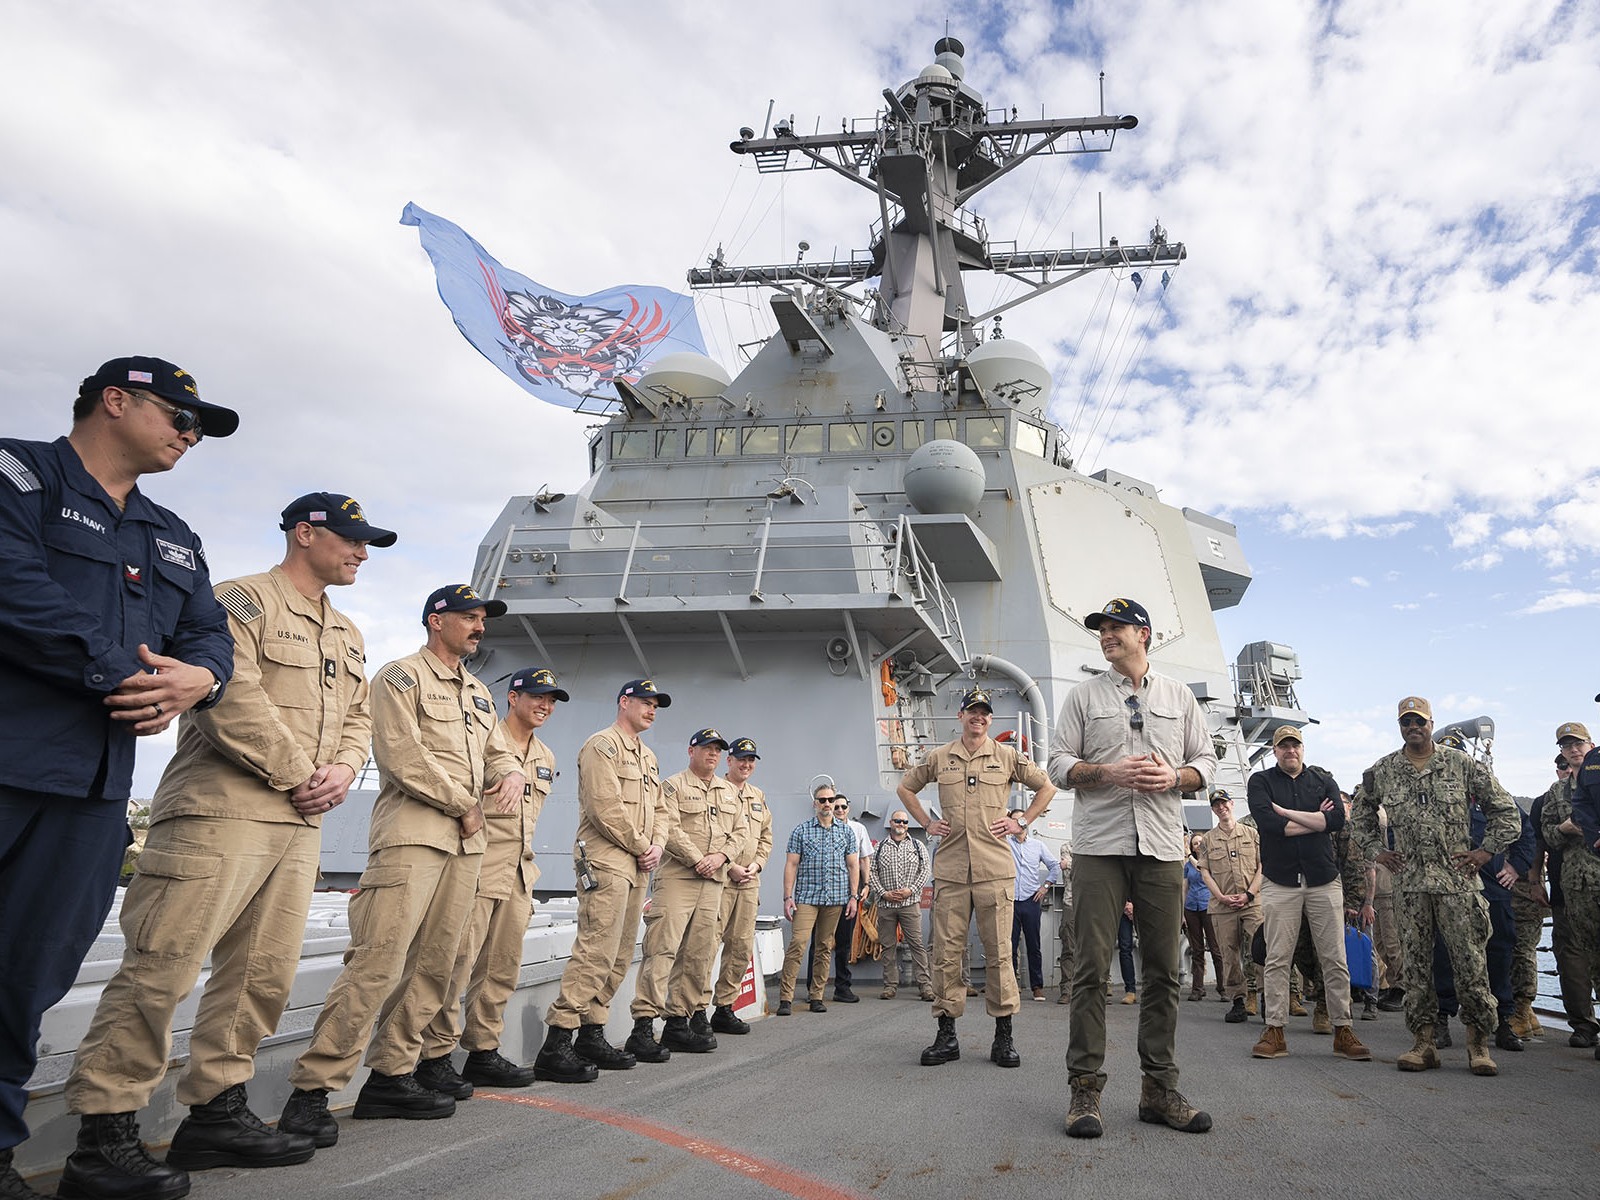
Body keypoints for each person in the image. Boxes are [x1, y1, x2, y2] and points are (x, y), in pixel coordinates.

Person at [58, 492, 389, 1196]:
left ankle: (214, 1111)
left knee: (260, 977)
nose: (362, 552)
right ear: (306, 533)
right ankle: (104, 1132)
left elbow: (359, 717)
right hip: (222, 811)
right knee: (164, 966)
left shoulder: (348, 632)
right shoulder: (238, 600)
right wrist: (303, 772)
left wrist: (339, 768)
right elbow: (228, 696)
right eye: (353, 540)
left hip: (297, 823)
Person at [0, 356, 237, 1199]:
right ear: (114, 400)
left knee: (29, 976)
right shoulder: (16, 476)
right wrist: (128, 676)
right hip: (11, 763)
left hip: (90, 792)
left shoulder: (172, 534)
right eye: (178, 415)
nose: (189, 433)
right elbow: (15, 591)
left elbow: (211, 632)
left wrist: (199, 680)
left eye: (197, 425)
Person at [280, 584, 520, 1141]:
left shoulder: (480, 694)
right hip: (414, 837)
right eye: (468, 617)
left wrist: (508, 772)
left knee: (438, 964)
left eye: (483, 618)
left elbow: (498, 750)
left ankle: (391, 1074)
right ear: (437, 621)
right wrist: (464, 804)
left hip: (466, 846)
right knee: (378, 961)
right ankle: (312, 1091)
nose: (479, 626)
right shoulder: (399, 676)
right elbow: (399, 752)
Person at [1048, 597, 1217, 1138]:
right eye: (1101, 629)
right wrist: (1106, 772)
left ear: (1145, 634)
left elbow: (1206, 764)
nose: (1106, 635)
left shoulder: (1178, 698)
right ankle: (1084, 1091)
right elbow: (1057, 765)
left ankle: (1159, 1090)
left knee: (1166, 969)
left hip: (1164, 847)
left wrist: (1176, 779)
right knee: (1091, 970)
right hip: (1099, 846)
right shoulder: (1083, 696)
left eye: (1116, 628)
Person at [1350, 697, 1519, 1077]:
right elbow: (1359, 814)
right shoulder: (1385, 770)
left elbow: (1506, 811)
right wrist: (1378, 850)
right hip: (1411, 887)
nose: (1414, 726)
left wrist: (1485, 852)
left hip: (1458, 885)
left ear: (1431, 723)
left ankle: (1478, 1044)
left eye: (1419, 721)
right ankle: (1423, 1042)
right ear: (1400, 726)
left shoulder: (1461, 764)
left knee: (1471, 964)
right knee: (1416, 968)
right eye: (1406, 721)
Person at [420, 666, 567, 1089]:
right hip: (479, 867)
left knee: (502, 968)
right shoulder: (486, 739)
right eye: (538, 696)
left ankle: (482, 1050)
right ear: (512, 697)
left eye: (552, 700)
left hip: (520, 872)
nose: (545, 705)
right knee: (456, 964)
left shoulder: (545, 756)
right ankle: (435, 1056)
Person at [898, 688, 1056, 1070]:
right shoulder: (939, 757)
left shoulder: (1005, 756)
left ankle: (1004, 1037)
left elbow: (1046, 786)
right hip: (951, 871)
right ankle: (947, 1034)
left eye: (984, 713)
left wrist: (1021, 820)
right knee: (947, 954)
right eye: (973, 711)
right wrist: (926, 822)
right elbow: (906, 787)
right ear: (961, 716)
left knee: (1001, 952)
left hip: (994, 870)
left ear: (989, 719)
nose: (979, 717)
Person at [535, 679, 670, 1079]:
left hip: (637, 863)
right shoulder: (602, 746)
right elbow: (603, 807)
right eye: (645, 703)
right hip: (607, 859)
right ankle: (558, 1039)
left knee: (620, 952)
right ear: (624, 703)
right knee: (596, 948)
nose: (651, 710)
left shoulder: (648, 757)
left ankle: (592, 1032)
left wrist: (657, 846)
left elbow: (662, 810)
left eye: (656, 706)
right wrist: (643, 844)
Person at [1245, 726, 1370, 1062]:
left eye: (1295, 745)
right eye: (1284, 746)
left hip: (1322, 879)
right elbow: (1269, 824)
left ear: (1303, 748)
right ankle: (1274, 1030)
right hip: (1280, 880)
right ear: (1275, 751)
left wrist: (1285, 812)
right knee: (1277, 959)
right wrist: (1315, 819)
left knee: (1335, 958)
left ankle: (1343, 1028)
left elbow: (1337, 821)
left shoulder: (1322, 779)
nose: (1290, 751)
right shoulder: (1260, 783)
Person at [630, 728, 745, 1054]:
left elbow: (740, 831)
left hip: (713, 881)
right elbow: (668, 828)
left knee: (701, 951)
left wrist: (721, 857)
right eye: (706, 748)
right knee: (663, 949)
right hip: (679, 878)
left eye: (718, 750)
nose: (713, 754)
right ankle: (643, 1024)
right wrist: (699, 859)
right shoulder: (672, 786)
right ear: (691, 750)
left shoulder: (727, 791)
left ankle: (679, 1021)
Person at [1541, 726, 1600, 1053]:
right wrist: (1564, 828)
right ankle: (1585, 1025)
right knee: (1582, 955)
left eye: (1578, 743)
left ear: (1591, 745)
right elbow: (1547, 836)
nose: (1573, 750)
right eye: (1566, 746)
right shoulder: (1556, 792)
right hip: (1577, 882)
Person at [708, 737, 773, 1034]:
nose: (746, 764)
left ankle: (724, 1007)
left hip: (749, 882)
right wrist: (730, 866)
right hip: (720, 879)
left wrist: (755, 865)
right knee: (707, 945)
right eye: (741, 759)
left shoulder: (758, 795)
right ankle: (694, 1010)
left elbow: (766, 838)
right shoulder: (714, 790)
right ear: (728, 761)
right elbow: (708, 834)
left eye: (751, 760)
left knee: (740, 945)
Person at [775, 784, 859, 1014]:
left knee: (823, 946)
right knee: (798, 944)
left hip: (836, 898)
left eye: (830, 800)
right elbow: (791, 864)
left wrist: (854, 897)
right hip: (807, 897)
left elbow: (853, 865)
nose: (827, 804)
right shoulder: (801, 831)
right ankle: (785, 998)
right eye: (822, 800)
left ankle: (817, 996)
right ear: (815, 803)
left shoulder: (846, 832)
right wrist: (787, 896)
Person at [1199, 790, 1262, 1023]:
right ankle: (1238, 1001)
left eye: (1224, 803)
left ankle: (1267, 999)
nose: (1221, 807)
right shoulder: (1208, 840)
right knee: (1229, 954)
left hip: (1251, 902)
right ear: (1213, 810)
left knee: (1262, 948)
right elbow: (1205, 871)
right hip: (1222, 905)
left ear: (1232, 804)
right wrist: (1221, 897)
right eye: (1216, 805)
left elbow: (1261, 866)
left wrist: (1249, 894)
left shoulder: (1252, 834)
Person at [870, 810, 934, 1000]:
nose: (901, 824)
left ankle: (925, 986)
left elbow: (925, 870)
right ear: (891, 822)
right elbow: (872, 872)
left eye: (904, 821)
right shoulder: (880, 848)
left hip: (909, 903)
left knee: (916, 945)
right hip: (885, 905)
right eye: (897, 821)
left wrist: (911, 890)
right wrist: (884, 893)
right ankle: (890, 986)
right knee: (887, 946)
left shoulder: (917, 846)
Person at [819, 794, 873, 1004]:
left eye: (843, 806)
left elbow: (863, 859)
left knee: (844, 941)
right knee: (819, 941)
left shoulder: (857, 829)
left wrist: (865, 885)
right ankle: (815, 988)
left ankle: (842, 987)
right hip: (824, 892)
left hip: (848, 893)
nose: (839, 810)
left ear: (848, 808)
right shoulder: (820, 829)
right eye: (836, 806)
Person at [1008, 807, 1061, 1001]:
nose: (1019, 823)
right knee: (1009, 946)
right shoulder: (1005, 844)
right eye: (1014, 820)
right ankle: (1011, 985)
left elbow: (1054, 866)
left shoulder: (1038, 846)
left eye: (1022, 820)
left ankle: (1037, 986)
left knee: (1033, 945)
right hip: (1011, 900)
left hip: (1031, 900)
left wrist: (1045, 886)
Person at [1182, 834, 1225, 1002]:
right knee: (1197, 949)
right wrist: (1182, 913)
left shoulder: (1212, 862)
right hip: (1192, 907)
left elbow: (1201, 868)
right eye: (1195, 843)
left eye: (1200, 842)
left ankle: (1223, 988)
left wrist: (1189, 855)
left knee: (1216, 948)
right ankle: (1197, 988)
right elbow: (1184, 888)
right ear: (1192, 847)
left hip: (1209, 907)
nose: (1198, 845)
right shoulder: (1187, 866)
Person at [1056, 840, 1075, 1004]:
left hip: (1094, 905)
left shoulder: (1098, 845)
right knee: (1069, 948)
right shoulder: (1067, 847)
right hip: (1072, 903)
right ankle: (1066, 990)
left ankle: (1096, 991)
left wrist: (1070, 863)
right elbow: (1071, 875)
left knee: (1095, 948)